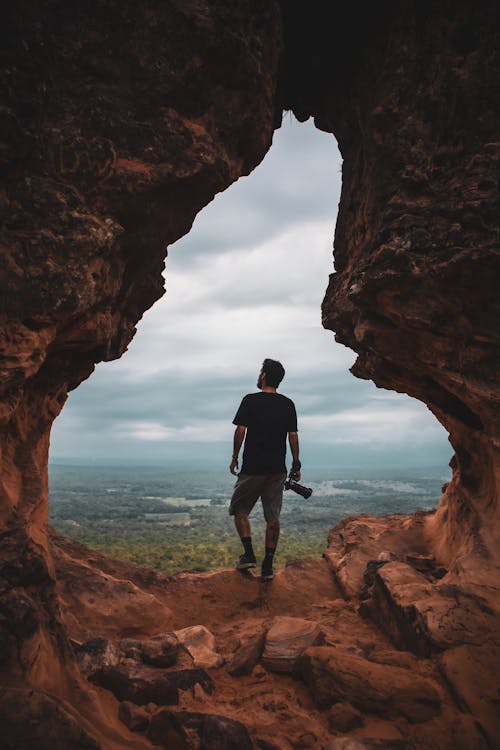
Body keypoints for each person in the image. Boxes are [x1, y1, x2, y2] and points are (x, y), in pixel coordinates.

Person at [228, 358, 301, 581]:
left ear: (263, 376)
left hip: (252, 467)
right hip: (277, 469)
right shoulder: (288, 404)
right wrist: (295, 463)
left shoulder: (250, 400)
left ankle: (248, 554)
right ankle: (268, 566)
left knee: (239, 509)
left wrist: (234, 457)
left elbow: (241, 429)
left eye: (261, 372)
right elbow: (293, 435)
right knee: (273, 517)